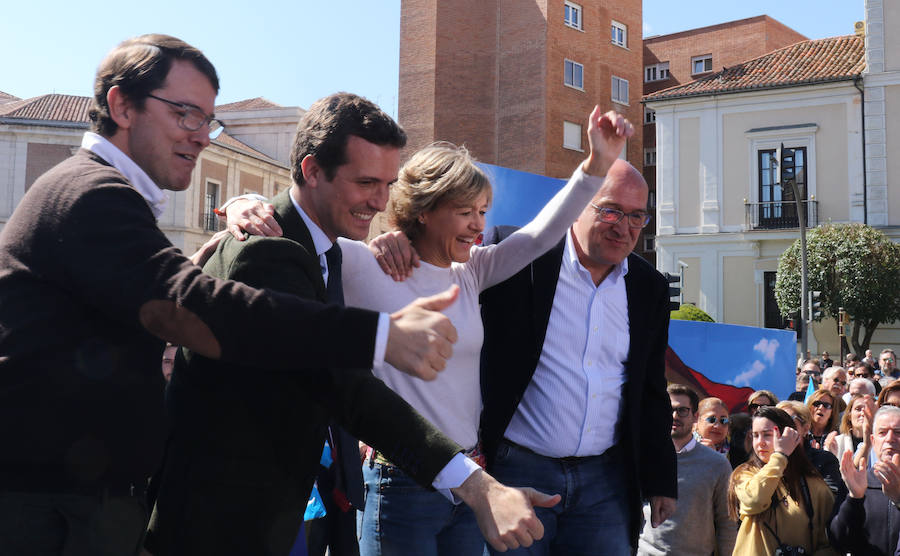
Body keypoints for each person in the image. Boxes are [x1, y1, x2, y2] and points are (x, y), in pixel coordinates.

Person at [0, 35, 508, 556]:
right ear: (121, 106)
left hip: (104, 504)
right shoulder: (93, 194)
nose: (202, 137)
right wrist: (382, 336)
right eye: (185, 115)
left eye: (208, 120)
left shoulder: (116, 198)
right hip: (71, 511)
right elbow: (192, 305)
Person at [232, 116, 677, 554]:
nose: (478, 226)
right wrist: (244, 204)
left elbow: (545, 233)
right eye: (464, 212)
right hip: (400, 481)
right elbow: (293, 228)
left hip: (470, 480)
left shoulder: (474, 272)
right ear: (424, 211)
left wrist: (596, 163)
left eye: (482, 212)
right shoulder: (361, 262)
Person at [149, 93, 568, 556]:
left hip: (281, 508)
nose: (381, 201)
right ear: (311, 170)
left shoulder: (329, 251)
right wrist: (476, 485)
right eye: (367, 182)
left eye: (388, 184)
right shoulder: (268, 249)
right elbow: (344, 386)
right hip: (223, 521)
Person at [637, 385, 735, 556]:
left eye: (682, 410)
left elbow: (727, 522)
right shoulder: (642, 457)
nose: (674, 416)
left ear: (695, 417)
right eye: (669, 409)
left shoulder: (717, 465)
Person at [728, 407, 837, 555]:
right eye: (755, 435)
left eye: (767, 435)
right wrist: (780, 456)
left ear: (789, 437)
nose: (760, 443)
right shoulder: (744, 474)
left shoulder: (814, 484)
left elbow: (829, 544)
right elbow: (754, 500)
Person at [831, 405, 900, 555]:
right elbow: (838, 540)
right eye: (882, 433)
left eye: (898, 432)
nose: (890, 439)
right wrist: (855, 499)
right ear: (873, 441)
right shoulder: (857, 481)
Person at [777, 400, 846, 502]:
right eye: (778, 423)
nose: (784, 430)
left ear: (805, 428)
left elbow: (830, 500)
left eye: (789, 423)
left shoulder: (824, 460)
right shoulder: (765, 459)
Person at [828, 393, 877, 468]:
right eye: (858, 409)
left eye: (868, 409)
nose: (863, 412)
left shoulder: (882, 442)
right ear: (849, 415)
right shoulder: (836, 442)